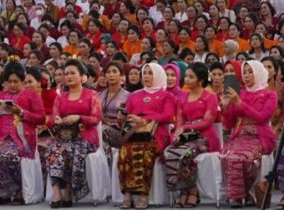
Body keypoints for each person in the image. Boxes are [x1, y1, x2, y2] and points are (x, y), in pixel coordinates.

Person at [0, 61, 45, 204]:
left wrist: (21, 112)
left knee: (10, 154)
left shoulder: (31, 95)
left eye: (16, 81)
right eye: (9, 81)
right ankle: (0, 192)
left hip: (22, 138)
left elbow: (41, 118)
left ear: (22, 81)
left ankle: (18, 190)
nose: (12, 84)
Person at [118, 63, 176, 210]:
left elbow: (168, 116)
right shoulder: (134, 95)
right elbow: (127, 116)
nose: (146, 76)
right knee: (125, 151)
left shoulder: (167, 95)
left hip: (156, 135)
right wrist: (123, 117)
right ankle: (128, 193)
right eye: (144, 73)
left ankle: (143, 194)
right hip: (134, 134)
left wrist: (146, 119)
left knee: (143, 150)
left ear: (158, 75)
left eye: (150, 73)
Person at [45, 59, 102, 207]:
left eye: (72, 73)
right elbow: (51, 119)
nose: (69, 76)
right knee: (52, 149)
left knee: (70, 149)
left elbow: (96, 119)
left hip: (86, 136)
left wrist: (79, 117)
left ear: (82, 75)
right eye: (66, 74)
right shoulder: (60, 97)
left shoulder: (92, 94)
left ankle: (69, 190)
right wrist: (56, 120)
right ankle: (57, 191)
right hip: (63, 136)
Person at [220, 61, 276, 208]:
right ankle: (240, 196)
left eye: (250, 71)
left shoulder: (270, 94)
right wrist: (226, 107)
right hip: (239, 136)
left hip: (260, 137)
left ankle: (238, 196)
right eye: (244, 72)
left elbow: (262, 117)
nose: (247, 75)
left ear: (259, 72)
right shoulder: (240, 92)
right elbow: (229, 124)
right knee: (226, 155)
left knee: (242, 157)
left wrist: (239, 103)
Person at [162, 62, 218, 207]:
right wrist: (178, 133)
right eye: (186, 76)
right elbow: (179, 120)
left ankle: (192, 191)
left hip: (204, 137)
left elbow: (207, 122)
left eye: (191, 77)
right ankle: (183, 190)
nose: (186, 79)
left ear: (200, 80)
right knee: (170, 152)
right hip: (186, 137)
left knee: (185, 154)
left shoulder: (210, 97)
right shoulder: (182, 98)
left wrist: (185, 127)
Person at [98, 62, 130, 150]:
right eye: (108, 72)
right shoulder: (99, 94)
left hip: (118, 130)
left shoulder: (128, 96)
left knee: (101, 130)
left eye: (114, 71)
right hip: (100, 126)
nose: (111, 75)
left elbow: (129, 119)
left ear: (121, 76)